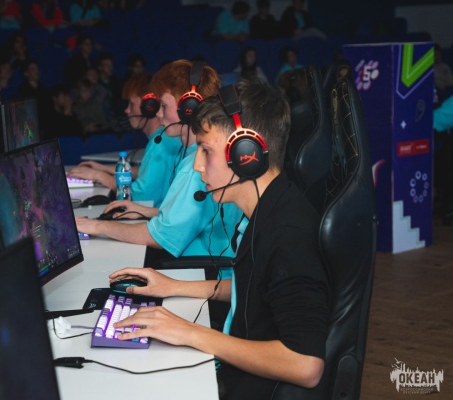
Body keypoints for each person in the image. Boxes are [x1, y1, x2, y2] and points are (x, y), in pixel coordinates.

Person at [108, 78, 329, 399]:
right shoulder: (267, 210)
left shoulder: (287, 234)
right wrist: (173, 286)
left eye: (206, 150)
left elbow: (306, 365)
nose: (198, 166)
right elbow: (254, 287)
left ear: (246, 153)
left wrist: (190, 332)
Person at [75, 59, 242, 264]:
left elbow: (160, 237)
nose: (158, 113)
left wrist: (96, 226)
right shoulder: (199, 155)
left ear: (189, 109)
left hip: (199, 268)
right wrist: (146, 211)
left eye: (163, 105)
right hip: (202, 260)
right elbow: (190, 217)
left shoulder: (196, 166)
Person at [68, 72, 182, 205]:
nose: (127, 110)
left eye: (131, 104)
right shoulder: (163, 138)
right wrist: (103, 168)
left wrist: (99, 176)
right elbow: (148, 172)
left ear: (149, 107)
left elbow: (140, 198)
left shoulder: (161, 143)